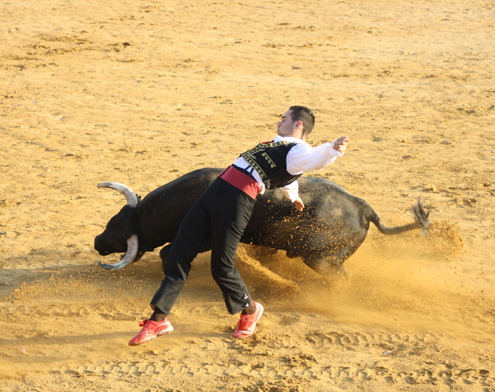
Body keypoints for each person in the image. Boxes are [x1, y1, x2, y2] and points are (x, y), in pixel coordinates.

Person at [128, 105, 349, 346]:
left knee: (221, 265)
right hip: (215, 190)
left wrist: (331, 149)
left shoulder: (300, 150)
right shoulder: (276, 144)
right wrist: (293, 195)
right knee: (179, 252)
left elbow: (311, 160)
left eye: (284, 118)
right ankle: (158, 319)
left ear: (298, 125)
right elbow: (286, 172)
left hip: (238, 199)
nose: (279, 121)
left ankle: (250, 310)